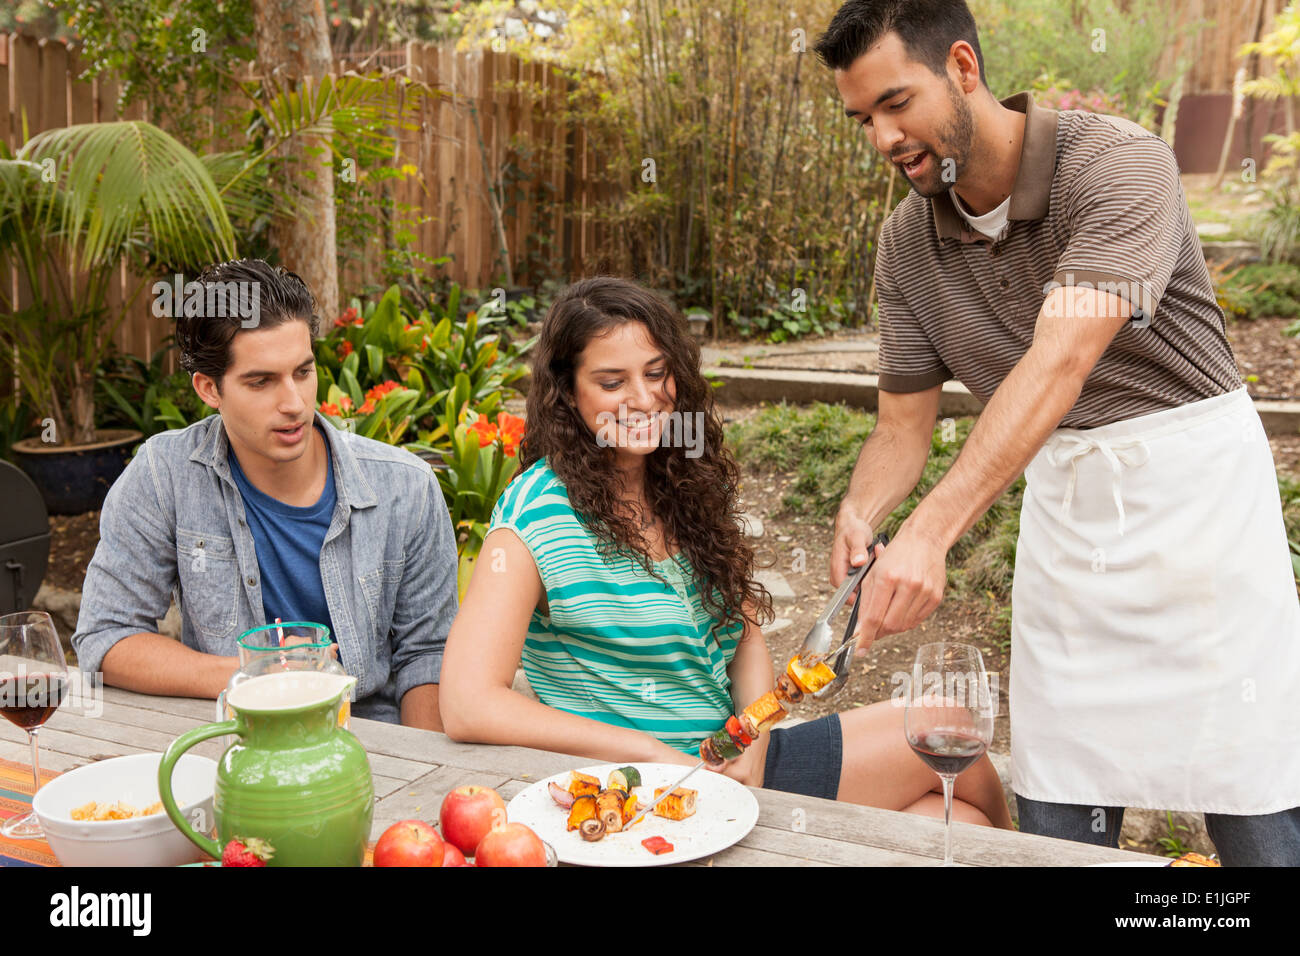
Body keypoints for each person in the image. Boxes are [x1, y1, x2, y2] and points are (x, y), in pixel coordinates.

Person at [816, 0, 1300, 864]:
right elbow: (902, 422)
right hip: (1068, 529)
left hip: (1203, 520)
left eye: (897, 103)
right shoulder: (905, 245)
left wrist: (929, 531)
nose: (883, 138)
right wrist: (865, 510)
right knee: (1058, 812)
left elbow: (1060, 361)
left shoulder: (1118, 165)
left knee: (1253, 809)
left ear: (963, 68)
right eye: (863, 119)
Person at [439, 276, 1013, 828]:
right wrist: (647, 753)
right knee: (944, 723)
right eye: (612, 383)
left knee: (955, 817)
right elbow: (468, 703)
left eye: (657, 373)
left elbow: (745, 641)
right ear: (568, 392)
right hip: (630, 790)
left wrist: (756, 738)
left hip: (732, 760)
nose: (643, 400)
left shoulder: (680, 481)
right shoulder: (535, 516)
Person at [71, 259, 458, 729]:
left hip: (371, 741)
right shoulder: (163, 475)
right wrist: (256, 672)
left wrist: (416, 778)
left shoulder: (406, 487)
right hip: (232, 737)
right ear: (209, 388)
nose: (293, 403)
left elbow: (428, 656)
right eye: (262, 381)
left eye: (302, 372)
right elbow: (106, 638)